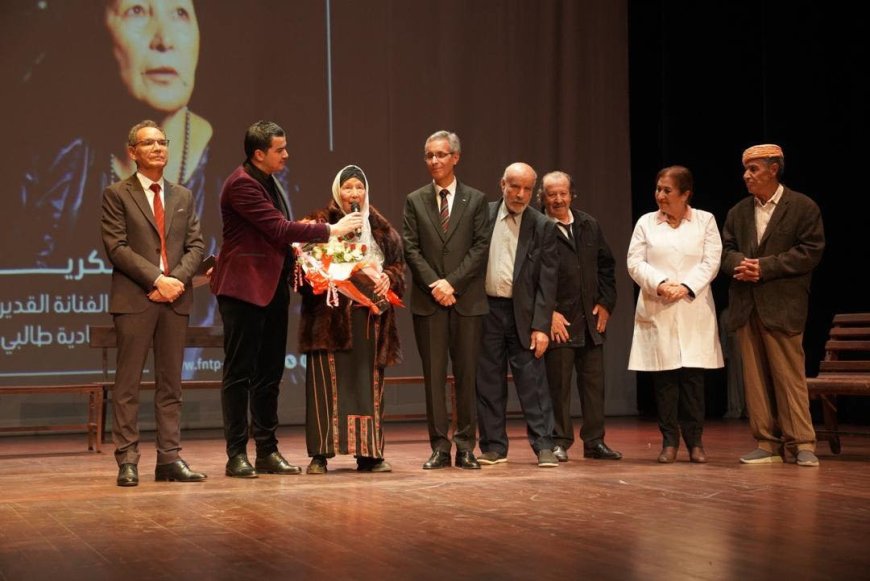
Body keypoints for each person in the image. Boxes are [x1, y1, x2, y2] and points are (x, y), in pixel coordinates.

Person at [210, 121, 362, 478]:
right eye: (280, 149)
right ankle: (236, 454)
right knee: (239, 374)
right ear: (259, 154)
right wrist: (331, 230)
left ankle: (267, 451)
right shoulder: (241, 185)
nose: (286, 155)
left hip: (273, 288)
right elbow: (278, 229)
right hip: (243, 290)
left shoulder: (269, 180)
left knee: (270, 373)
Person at [18, 0, 213, 268]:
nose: (165, 40)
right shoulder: (50, 171)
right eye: (137, 11)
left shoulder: (247, 171)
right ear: (98, 33)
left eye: (180, 13)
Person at [100, 119, 206, 486]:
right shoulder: (117, 194)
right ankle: (127, 459)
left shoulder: (183, 195)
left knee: (170, 384)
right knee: (127, 384)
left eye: (162, 142)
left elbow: (196, 245)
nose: (159, 148)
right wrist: (157, 279)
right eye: (149, 143)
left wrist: (175, 280)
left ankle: (169, 459)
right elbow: (116, 247)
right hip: (136, 298)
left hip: (174, 299)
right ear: (133, 152)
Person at [721, 144, 825, 467]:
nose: (746, 176)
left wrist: (764, 267)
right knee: (754, 378)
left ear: (773, 169)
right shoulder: (739, 212)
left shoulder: (802, 207)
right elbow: (725, 251)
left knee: (788, 376)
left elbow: (810, 251)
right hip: (746, 305)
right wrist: (741, 263)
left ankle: (803, 442)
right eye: (745, 169)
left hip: (782, 305)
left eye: (753, 169)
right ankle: (767, 442)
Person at [298, 165, 405, 474]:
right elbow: (305, 266)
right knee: (325, 387)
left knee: (366, 385)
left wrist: (387, 278)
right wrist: (328, 272)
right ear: (337, 191)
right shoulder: (320, 223)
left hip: (369, 320)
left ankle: (369, 454)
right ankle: (320, 454)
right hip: (328, 320)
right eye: (348, 188)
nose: (354, 193)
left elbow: (398, 265)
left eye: (359, 187)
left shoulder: (381, 227)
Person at [402, 130, 490, 470]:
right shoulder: (416, 199)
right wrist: (435, 284)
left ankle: (466, 446)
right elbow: (411, 248)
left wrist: (451, 283)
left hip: (466, 302)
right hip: (429, 302)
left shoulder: (476, 199)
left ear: (456, 157)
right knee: (434, 378)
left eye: (441, 155)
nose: (434, 161)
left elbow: (480, 247)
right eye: (429, 155)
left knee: (467, 376)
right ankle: (439, 446)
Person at [626, 166, 723, 464]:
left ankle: (695, 442)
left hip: (693, 306)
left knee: (693, 379)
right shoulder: (646, 222)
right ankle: (669, 442)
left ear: (686, 194)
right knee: (665, 379)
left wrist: (686, 286)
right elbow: (635, 262)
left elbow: (711, 260)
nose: (660, 195)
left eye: (667, 190)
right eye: (658, 189)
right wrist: (661, 283)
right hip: (660, 306)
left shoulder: (705, 220)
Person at [476, 162, 560, 468]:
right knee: (488, 381)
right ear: (502, 185)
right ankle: (493, 446)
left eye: (527, 189)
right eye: (515, 187)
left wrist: (541, 326)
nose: (521, 194)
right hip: (486, 310)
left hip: (523, 313)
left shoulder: (542, 225)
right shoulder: (482, 216)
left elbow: (547, 282)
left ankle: (544, 445)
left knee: (532, 381)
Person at [538, 171, 621, 462]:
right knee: (558, 386)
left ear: (572, 194)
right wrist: (547, 313)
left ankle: (594, 441)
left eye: (563, 193)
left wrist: (606, 304)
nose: (558, 199)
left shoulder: (588, 225)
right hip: (559, 321)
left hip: (590, 320)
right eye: (552, 194)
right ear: (543, 197)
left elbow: (607, 267)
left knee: (593, 385)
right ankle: (560, 440)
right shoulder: (537, 227)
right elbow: (527, 277)